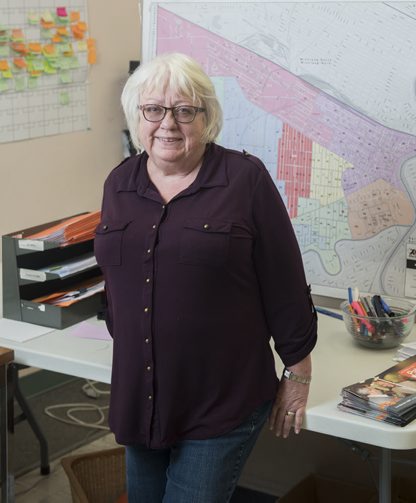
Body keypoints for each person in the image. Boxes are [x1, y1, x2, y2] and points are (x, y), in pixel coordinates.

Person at [94, 52, 317, 503]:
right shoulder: (119, 182)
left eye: (185, 110)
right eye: (153, 110)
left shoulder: (243, 179)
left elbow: (285, 281)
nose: (168, 124)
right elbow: (118, 284)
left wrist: (298, 372)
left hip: (221, 397)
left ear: (206, 117)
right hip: (142, 396)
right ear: (137, 116)